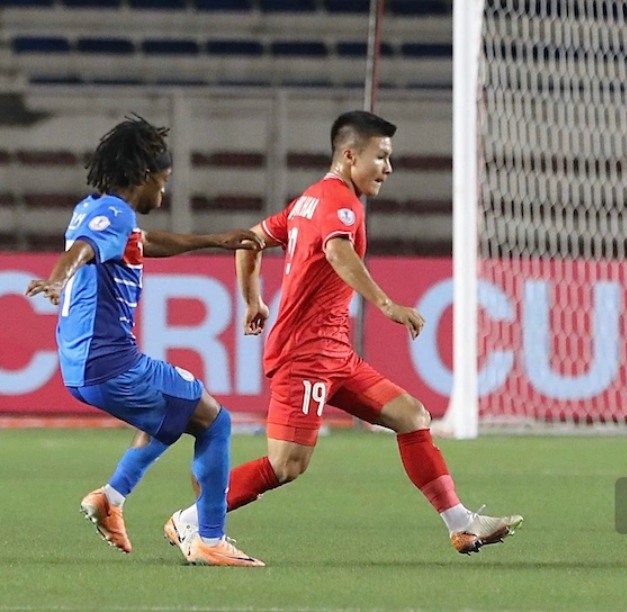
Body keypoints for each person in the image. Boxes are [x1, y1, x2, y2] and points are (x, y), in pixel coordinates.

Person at [151, 110, 522, 556]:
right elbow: (337, 251)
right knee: (286, 465)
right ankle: (191, 520)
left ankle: (461, 524)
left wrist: (253, 300)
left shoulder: (308, 200)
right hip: (306, 355)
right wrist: (386, 304)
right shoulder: (340, 203)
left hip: (335, 354)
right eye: (380, 157)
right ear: (349, 156)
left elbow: (249, 240)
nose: (388, 168)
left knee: (411, 415)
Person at [26, 115, 266, 567]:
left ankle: (111, 497)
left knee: (174, 412)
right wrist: (58, 278)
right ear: (143, 176)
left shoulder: (96, 208)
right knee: (214, 421)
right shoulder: (114, 214)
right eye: (163, 181)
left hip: (83, 368)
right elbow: (81, 249)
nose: (163, 192)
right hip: (110, 364)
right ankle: (209, 538)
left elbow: (144, 242)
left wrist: (216, 240)